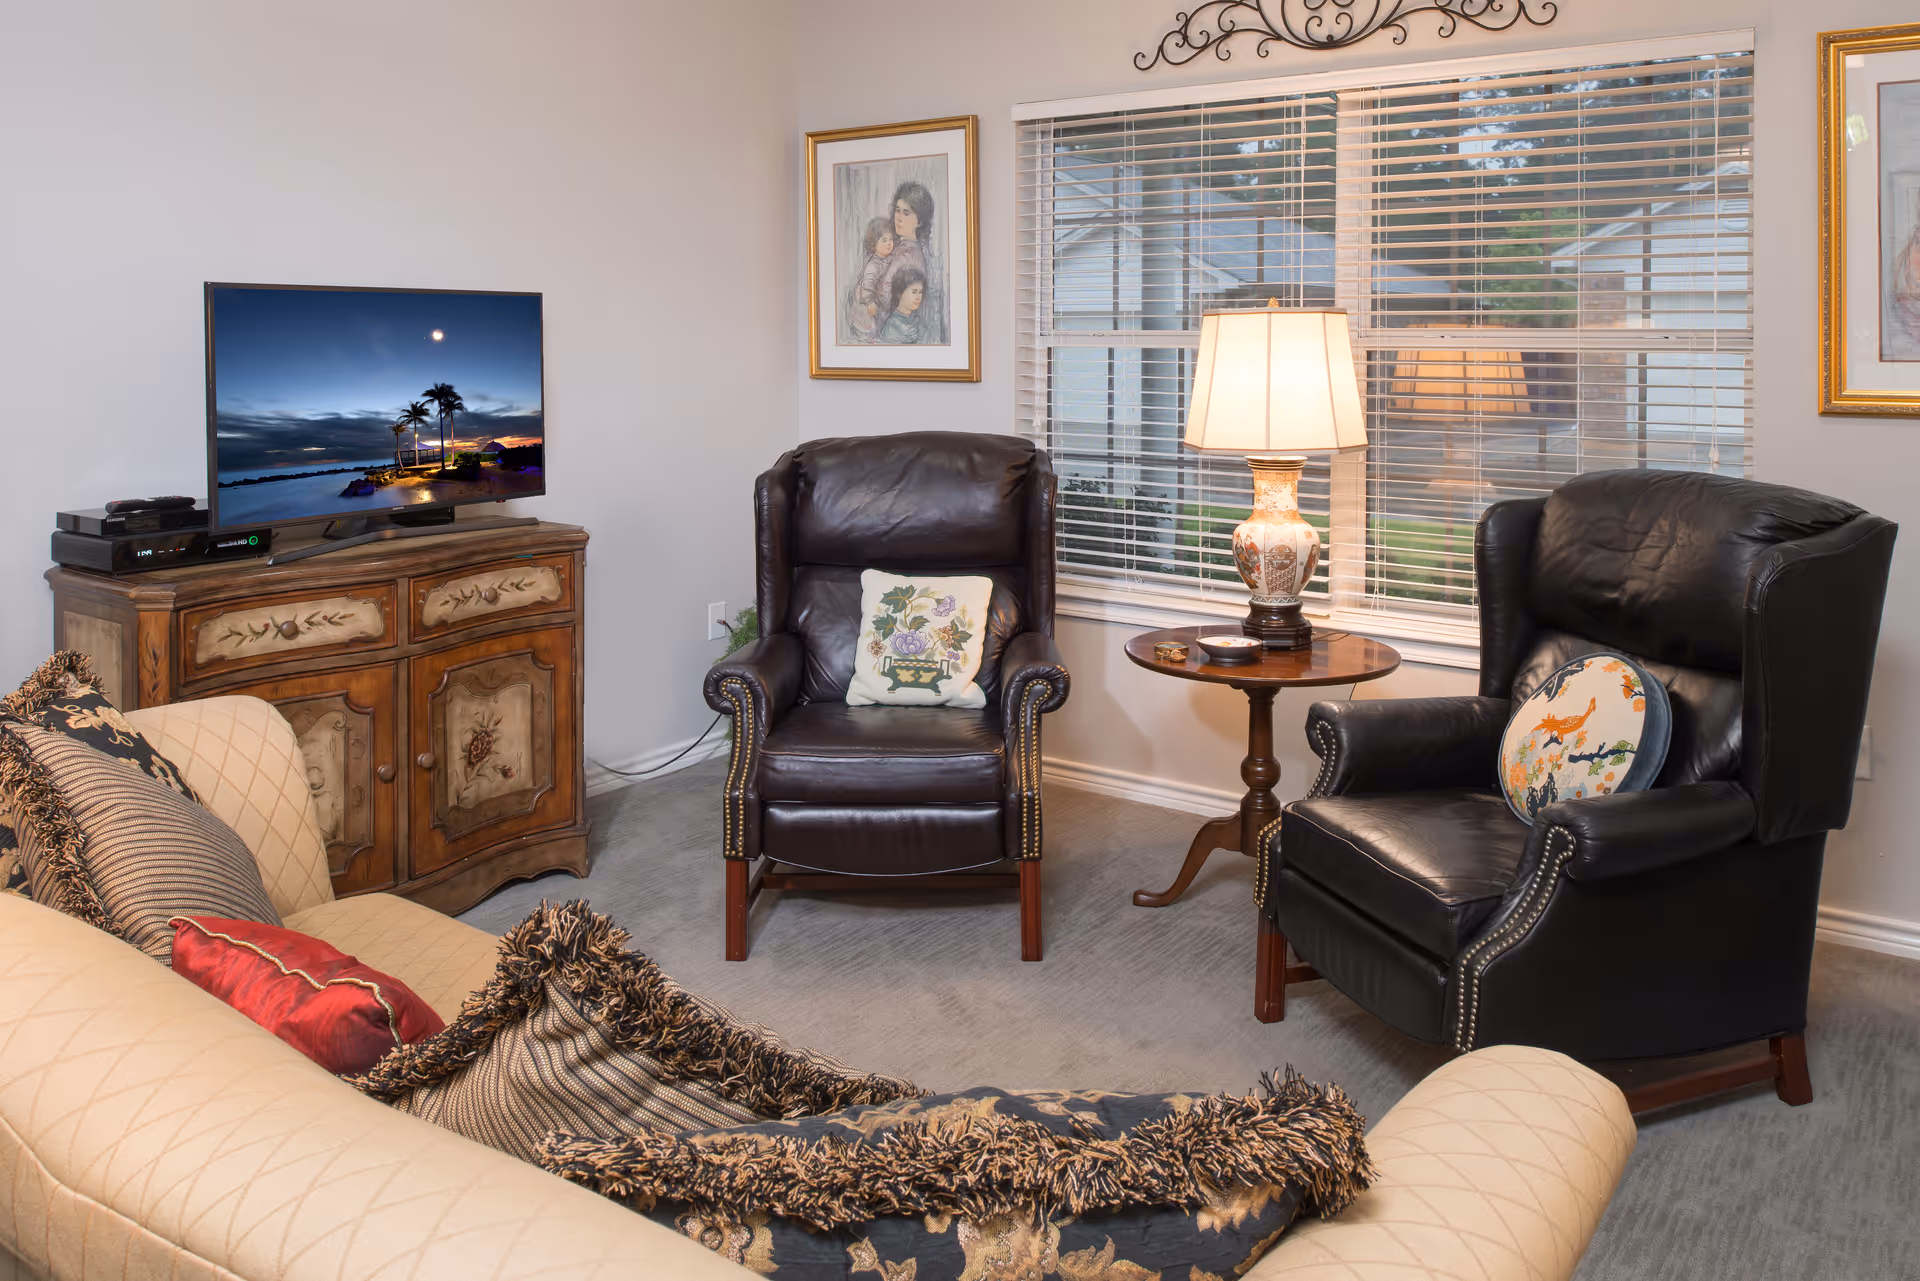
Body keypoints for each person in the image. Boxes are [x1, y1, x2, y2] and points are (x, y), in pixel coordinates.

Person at [872, 180, 943, 344]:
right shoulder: (895, 248)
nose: (898, 218)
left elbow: (886, 297)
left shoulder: (911, 257)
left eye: (906, 213)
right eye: (897, 210)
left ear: (919, 221)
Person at [847, 217, 896, 343]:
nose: (889, 243)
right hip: (867, 302)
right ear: (874, 245)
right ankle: (868, 338)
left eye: (891, 239)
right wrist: (869, 302)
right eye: (884, 240)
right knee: (870, 324)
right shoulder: (873, 265)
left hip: (880, 301)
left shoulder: (889, 258)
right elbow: (867, 284)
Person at [878, 268, 927, 344]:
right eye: (914, 292)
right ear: (899, 293)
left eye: (920, 292)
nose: (918, 297)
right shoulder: (891, 326)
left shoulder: (918, 321)